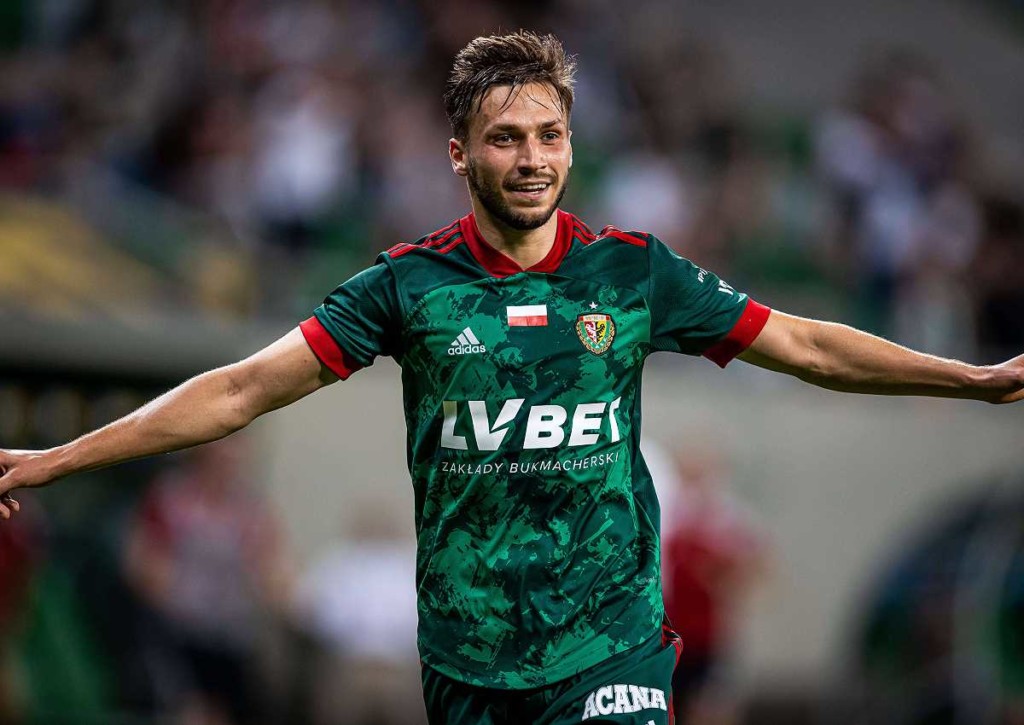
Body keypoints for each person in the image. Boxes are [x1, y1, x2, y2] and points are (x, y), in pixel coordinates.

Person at [1, 31, 1022, 725]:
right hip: (469, 663)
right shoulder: (406, 288)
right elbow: (238, 389)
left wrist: (969, 378)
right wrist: (56, 457)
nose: (533, 157)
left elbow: (804, 345)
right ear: (460, 153)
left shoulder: (632, 273)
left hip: (611, 643)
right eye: (505, 137)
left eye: (550, 135)